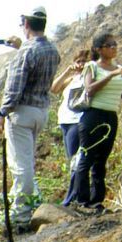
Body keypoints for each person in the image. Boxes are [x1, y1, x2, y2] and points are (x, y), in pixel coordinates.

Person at [0, 7, 61, 231]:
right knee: (27, 159)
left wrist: (2, 113)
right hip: (40, 111)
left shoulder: (26, 52)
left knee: (20, 165)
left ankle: (21, 214)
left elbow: (14, 88)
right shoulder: (53, 50)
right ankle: (31, 203)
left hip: (22, 111)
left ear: (25, 24)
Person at [69, 33, 122, 214]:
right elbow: (90, 89)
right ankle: (82, 200)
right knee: (87, 157)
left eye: (115, 45)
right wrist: (111, 75)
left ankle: (97, 200)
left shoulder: (118, 68)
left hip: (110, 114)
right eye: (109, 45)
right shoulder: (92, 66)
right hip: (93, 115)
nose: (114, 48)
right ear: (99, 49)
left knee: (102, 160)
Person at [51, 49, 91, 206]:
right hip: (65, 120)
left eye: (84, 61)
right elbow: (54, 88)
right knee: (72, 160)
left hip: (78, 120)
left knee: (77, 160)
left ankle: (73, 196)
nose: (81, 64)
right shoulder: (72, 79)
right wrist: (68, 71)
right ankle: (78, 195)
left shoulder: (89, 77)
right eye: (79, 61)